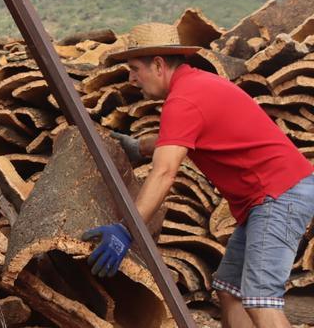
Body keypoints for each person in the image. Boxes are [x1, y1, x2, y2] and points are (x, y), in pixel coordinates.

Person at [82, 23, 314, 328]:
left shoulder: (184, 100)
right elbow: (177, 138)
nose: (131, 78)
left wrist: (127, 230)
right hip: (270, 196)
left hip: (278, 195)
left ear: (159, 64)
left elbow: (164, 173)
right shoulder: (194, 87)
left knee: (260, 298)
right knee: (230, 290)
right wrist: (139, 146)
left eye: (135, 68)